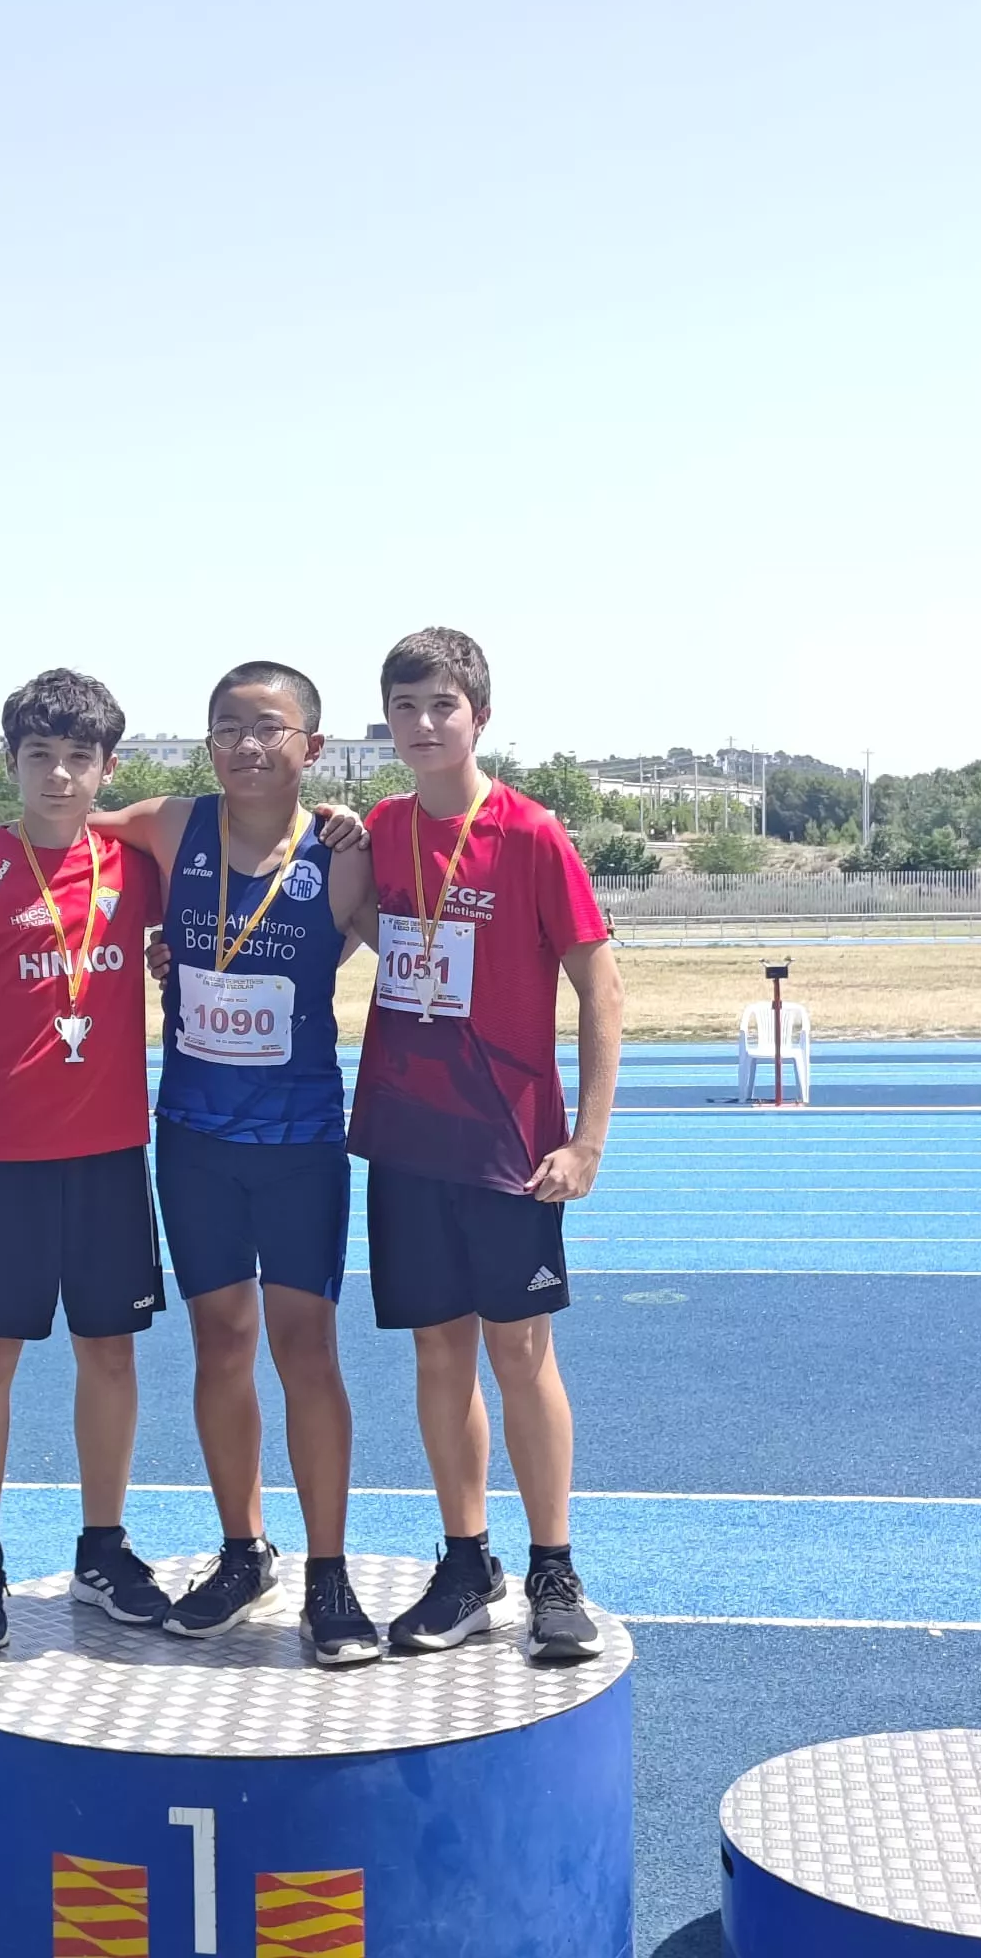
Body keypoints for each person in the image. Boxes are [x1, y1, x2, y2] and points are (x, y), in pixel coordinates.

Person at [0, 661, 380, 1665]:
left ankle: (329, 1573)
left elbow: (402, 941)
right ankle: (236, 1547)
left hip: (298, 1141)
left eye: (272, 728)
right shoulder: (169, 830)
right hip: (187, 1140)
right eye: (229, 726)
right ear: (207, 740)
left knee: (303, 1349)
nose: (249, 745)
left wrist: (353, 814)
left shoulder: (347, 853)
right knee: (218, 1344)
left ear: (310, 743)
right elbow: (64, 822)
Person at [347, 627, 624, 1662]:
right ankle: (467, 1561)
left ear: (479, 716)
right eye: (405, 707)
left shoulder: (532, 834)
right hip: (407, 1135)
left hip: (512, 1142)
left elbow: (601, 989)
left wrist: (587, 1139)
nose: (422, 726)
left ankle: (554, 1564)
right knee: (437, 1350)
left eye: (441, 707)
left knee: (520, 1349)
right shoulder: (376, 826)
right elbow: (386, 932)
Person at [0, 668, 170, 1653]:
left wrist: (341, 819)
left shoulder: (133, 862)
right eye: (39, 756)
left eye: (78, 757)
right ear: (10, 761)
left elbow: (243, 821)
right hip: (3, 1157)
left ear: (106, 767)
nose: (59, 775)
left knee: (112, 1349)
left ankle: (103, 1544)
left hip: (110, 1155)